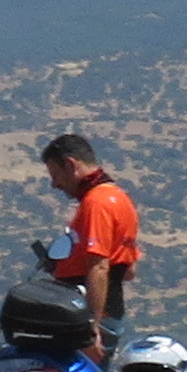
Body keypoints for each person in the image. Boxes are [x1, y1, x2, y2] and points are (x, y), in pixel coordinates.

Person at [37, 136, 139, 352]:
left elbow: (99, 267)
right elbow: (129, 271)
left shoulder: (97, 203)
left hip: (88, 318)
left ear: (70, 165)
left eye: (55, 175)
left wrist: (90, 329)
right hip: (109, 309)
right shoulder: (120, 198)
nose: (54, 184)